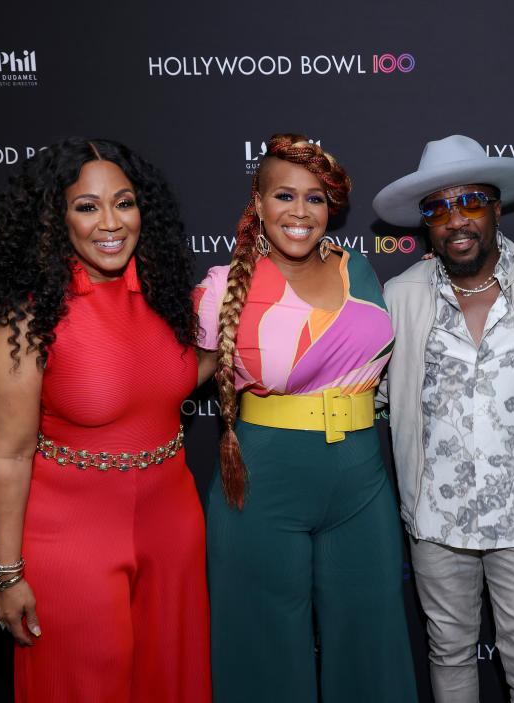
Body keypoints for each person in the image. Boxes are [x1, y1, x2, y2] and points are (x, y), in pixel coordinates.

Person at [0, 138, 211, 703]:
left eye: (123, 203)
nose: (110, 222)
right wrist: (8, 576)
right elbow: (8, 457)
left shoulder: (165, 301)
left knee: (171, 684)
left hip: (174, 531)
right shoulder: (27, 328)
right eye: (87, 206)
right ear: (56, 220)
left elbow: (161, 382)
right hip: (72, 541)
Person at [194, 133, 417, 702]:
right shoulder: (222, 289)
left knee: (374, 643)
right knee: (260, 648)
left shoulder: (360, 271)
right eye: (284, 196)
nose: (299, 212)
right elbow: (169, 379)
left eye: (315, 198)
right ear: (258, 203)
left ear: (330, 208)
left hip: (361, 481)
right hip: (261, 481)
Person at [372, 134, 514, 703]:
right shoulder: (400, 297)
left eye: (469, 201)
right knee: (447, 654)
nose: (455, 219)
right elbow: (366, 393)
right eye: (437, 208)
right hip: (436, 521)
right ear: (425, 224)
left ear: (496, 206)